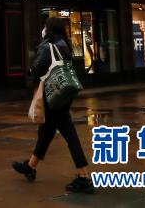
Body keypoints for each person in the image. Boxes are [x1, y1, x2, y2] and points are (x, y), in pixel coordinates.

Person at [12, 17, 93, 194]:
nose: (43, 30)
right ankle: (31, 166)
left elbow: (38, 68)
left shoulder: (48, 46)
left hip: (53, 96)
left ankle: (84, 177)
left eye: (45, 27)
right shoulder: (64, 44)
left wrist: (30, 71)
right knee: (46, 132)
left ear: (48, 30)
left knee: (69, 135)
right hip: (63, 95)